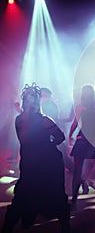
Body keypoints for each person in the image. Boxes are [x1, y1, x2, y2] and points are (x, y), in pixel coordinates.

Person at [1, 83, 71, 233]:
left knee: (22, 197)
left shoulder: (19, 120)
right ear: (38, 102)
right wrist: (47, 142)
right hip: (47, 164)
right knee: (56, 195)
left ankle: (9, 227)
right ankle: (65, 227)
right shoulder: (45, 120)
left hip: (30, 163)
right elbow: (60, 138)